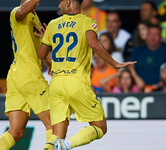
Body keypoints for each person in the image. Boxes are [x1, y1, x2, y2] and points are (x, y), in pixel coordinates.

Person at [38, 0, 136, 149]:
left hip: (56, 83)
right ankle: (67, 144)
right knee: (100, 126)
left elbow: (41, 54)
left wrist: (49, 48)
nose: (58, 6)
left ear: (69, 2)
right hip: (75, 81)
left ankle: (59, 144)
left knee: (56, 136)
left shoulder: (52, 24)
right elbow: (94, 44)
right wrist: (115, 64)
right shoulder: (87, 22)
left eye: (61, 2)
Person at [0, 0, 52, 149]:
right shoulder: (17, 11)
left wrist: (47, 58)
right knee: (55, 124)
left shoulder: (35, 18)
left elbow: (35, 49)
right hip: (29, 74)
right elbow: (21, 12)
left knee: (16, 132)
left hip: (16, 76)